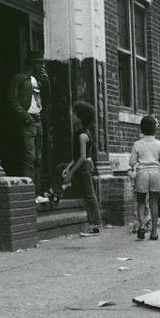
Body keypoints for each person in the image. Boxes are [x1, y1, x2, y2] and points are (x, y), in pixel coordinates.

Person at [62, 101, 102, 236]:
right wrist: (68, 167)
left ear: (80, 117)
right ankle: (94, 225)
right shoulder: (82, 133)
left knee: (90, 196)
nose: (71, 116)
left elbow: (82, 157)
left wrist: (71, 173)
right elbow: (77, 156)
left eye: (74, 114)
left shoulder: (83, 136)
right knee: (88, 195)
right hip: (83, 165)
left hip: (84, 167)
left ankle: (95, 226)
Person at [128, 115, 160, 241]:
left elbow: (131, 163)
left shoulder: (137, 144)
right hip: (156, 173)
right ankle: (154, 232)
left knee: (141, 201)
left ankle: (141, 226)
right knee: (154, 202)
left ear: (141, 129)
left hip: (142, 173)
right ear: (155, 129)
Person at [0, 68, 41, 189]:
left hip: (38, 120)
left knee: (38, 158)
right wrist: (24, 114)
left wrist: (46, 83)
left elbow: (43, 100)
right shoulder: (19, 78)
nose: (41, 66)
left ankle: (37, 190)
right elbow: (12, 99)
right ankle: (30, 191)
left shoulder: (38, 80)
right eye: (38, 63)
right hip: (28, 121)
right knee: (29, 157)